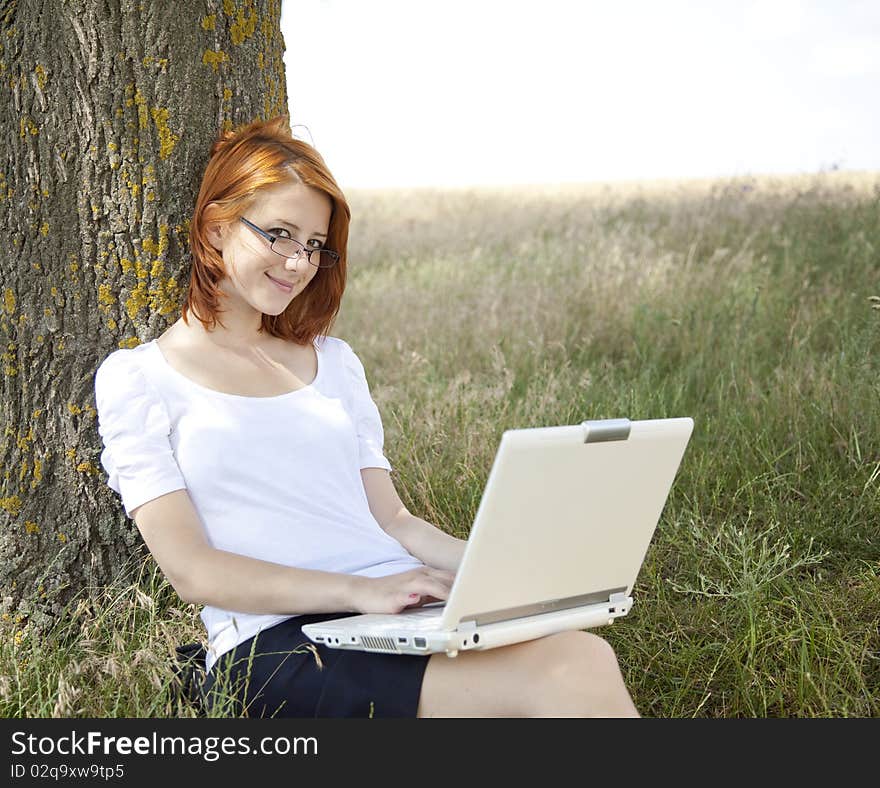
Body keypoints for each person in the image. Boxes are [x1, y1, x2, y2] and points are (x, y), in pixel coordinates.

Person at [93, 115, 640, 718]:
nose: (299, 263)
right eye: (278, 233)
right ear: (218, 226)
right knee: (564, 674)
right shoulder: (140, 380)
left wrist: (504, 573)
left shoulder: (333, 363)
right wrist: (360, 593)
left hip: (397, 610)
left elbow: (396, 523)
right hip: (278, 642)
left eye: (313, 245)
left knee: (581, 653)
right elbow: (193, 571)